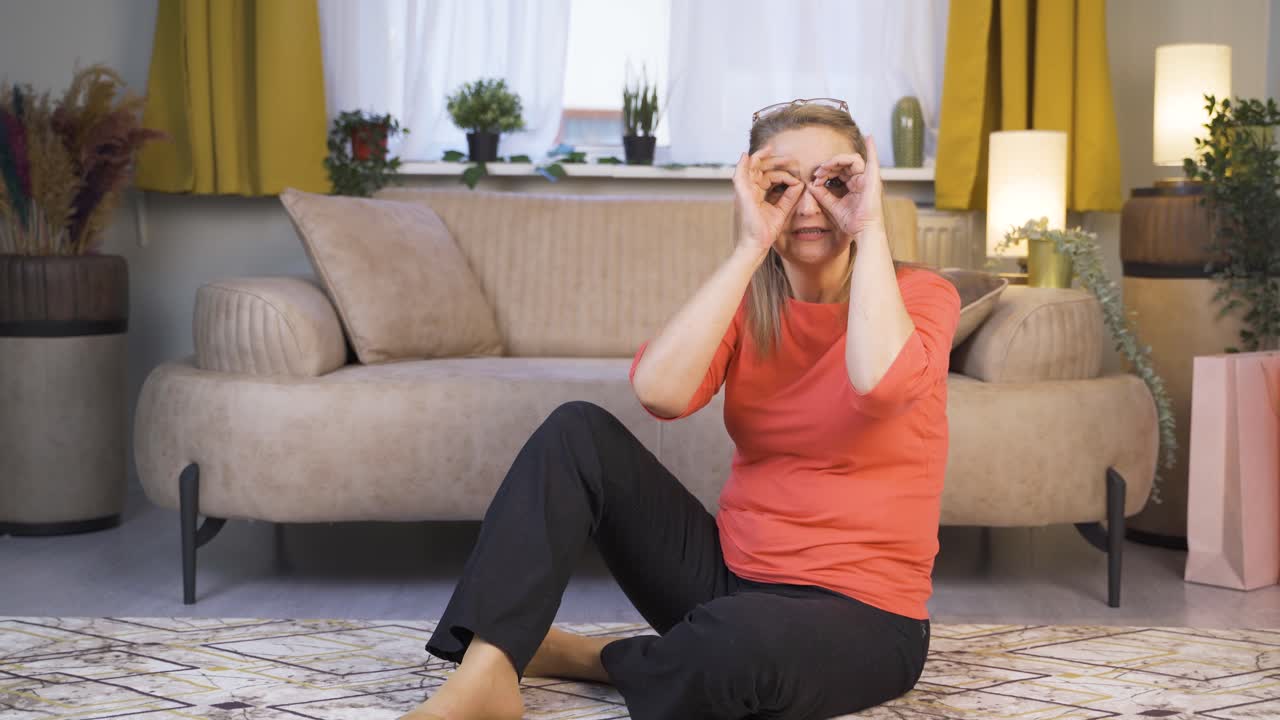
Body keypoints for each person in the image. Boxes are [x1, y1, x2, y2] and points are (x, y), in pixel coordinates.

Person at [401, 98, 961, 720]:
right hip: (726, 580)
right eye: (783, 185)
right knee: (576, 432)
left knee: (734, 650)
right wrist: (751, 246)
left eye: (832, 183)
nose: (808, 205)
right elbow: (660, 394)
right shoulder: (750, 300)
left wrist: (871, 226)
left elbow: (880, 384)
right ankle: (490, 670)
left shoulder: (924, 296)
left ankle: (594, 658)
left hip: (867, 617)